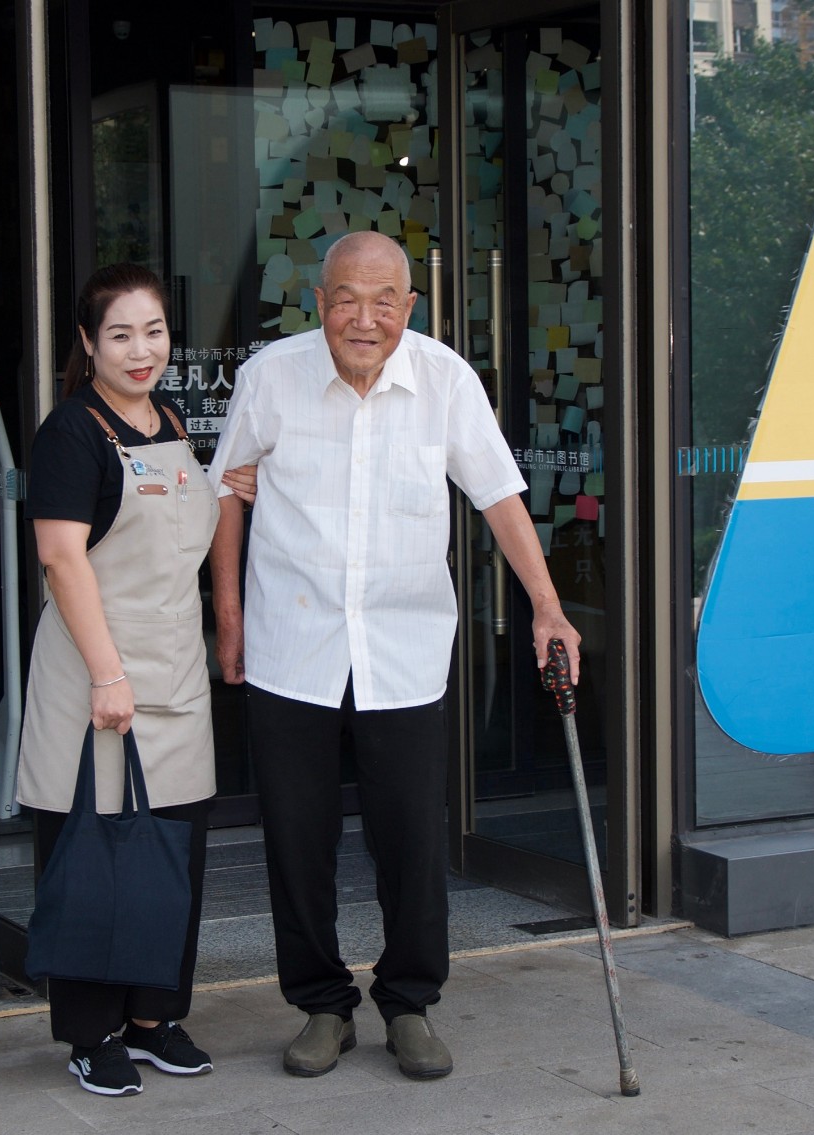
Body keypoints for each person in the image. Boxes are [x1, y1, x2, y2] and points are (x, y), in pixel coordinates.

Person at [206, 231, 583, 1082]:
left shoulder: (445, 380)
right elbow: (228, 491)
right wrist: (228, 615)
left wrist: (547, 607)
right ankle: (321, 1004)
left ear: (409, 307)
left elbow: (499, 495)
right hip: (291, 644)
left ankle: (409, 1001)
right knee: (297, 839)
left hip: (404, 650)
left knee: (411, 837)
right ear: (320, 303)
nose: (363, 318)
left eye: (384, 301)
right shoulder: (271, 377)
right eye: (345, 298)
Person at [16, 263, 226, 1097]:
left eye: (155, 332)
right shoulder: (72, 433)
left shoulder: (168, 417)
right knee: (96, 860)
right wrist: (107, 675)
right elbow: (62, 558)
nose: (142, 350)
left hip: (176, 673)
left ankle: (154, 1018)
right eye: (121, 335)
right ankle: (91, 1032)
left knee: (172, 855)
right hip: (98, 678)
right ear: (87, 342)